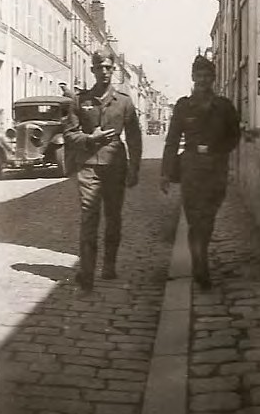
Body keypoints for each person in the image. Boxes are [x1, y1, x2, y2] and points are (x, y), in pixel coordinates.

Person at [64, 48, 142, 294]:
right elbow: (68, 134)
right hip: (88, 166)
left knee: (113, 217)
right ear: (93, 70)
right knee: (89, 217)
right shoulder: (80, 100)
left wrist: (135, 168)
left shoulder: (124, 102)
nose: (104, 72)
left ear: (113, 69)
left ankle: (109, 264)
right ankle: (86, 273)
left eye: (108, 67)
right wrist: (89, 138)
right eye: (100, 68)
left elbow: (134, 137)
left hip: (115, 167)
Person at [160, 55, 240, 289]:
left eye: (207, 76)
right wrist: (165, 173)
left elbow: (234, 135)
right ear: (193, 78)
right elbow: (172, 140)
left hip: (216, 169)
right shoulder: (184, 106)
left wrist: (218, 151)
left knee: (208, 217)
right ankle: (200, 264)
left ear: (213, 78)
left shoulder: (224, 106)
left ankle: (200, 256)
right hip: (192, 169)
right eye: (199, 75)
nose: (203, 80)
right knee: (195, 218)